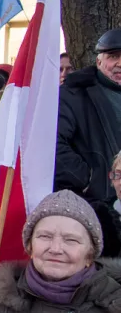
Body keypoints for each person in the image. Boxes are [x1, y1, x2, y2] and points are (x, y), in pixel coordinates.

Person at [55, 28, 121, 220]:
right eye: (113, 56)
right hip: (93, 208)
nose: (119, 63)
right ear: (99, 61)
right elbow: (52, 142)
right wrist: (90, 180)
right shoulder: (72, 95)